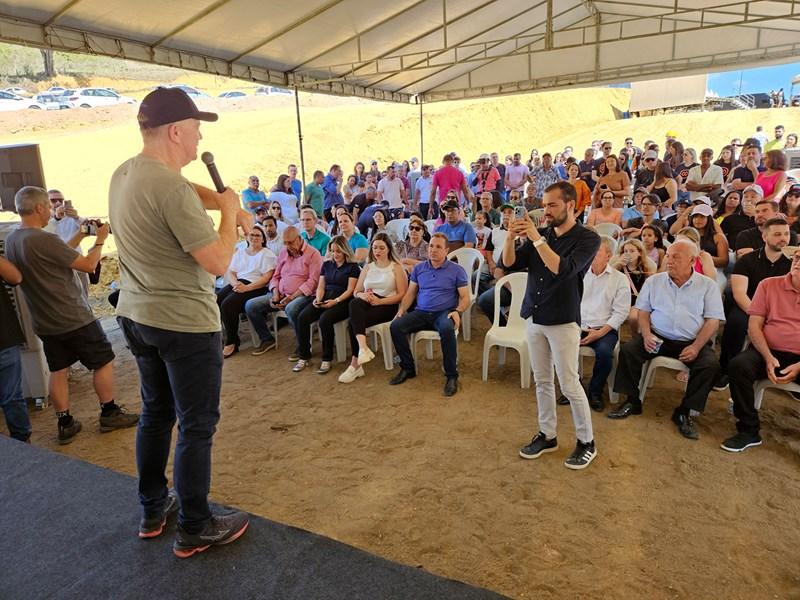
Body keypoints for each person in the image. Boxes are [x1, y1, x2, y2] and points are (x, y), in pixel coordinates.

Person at [108, 88, 250, 554]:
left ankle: (154, 508)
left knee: (155, 413)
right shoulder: (169, 186)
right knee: (196, 424)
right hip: (184, 324)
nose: (199, 136)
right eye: (194, 128)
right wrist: (230, 214)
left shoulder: (126, 172)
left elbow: (185, 190)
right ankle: (195, 524)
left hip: (137, 316)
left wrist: (226, 202)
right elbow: (216, 261)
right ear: (175, 131)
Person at [8, 186, 138, 444]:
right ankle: (109, 412)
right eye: (47, 206)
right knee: (103, 361)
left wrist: (80, 235)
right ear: (39, 208)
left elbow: (57, 255)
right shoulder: (44, 238)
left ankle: (65, 422)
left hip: (44, 320)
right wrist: (100, 240)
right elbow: (88, 265)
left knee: (59, 370)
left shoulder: (14, 239)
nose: (50, 211)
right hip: (73, 315)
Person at [503, 180, 601, 470]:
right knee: (542, 381)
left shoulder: (587, 239)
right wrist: (510, 237)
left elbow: (564, 269)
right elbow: (509, 264)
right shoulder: (541, 234)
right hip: (534, 315)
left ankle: (587, 441)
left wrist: (536, 238)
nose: (545, 211)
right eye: (544, 205)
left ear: (570, 205)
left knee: (569, 383)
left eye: (552, 205)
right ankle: (548, 435)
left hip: (563, 319)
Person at [609, 239, 725, 440]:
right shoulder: (655, 281)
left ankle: (685, 412)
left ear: (692, 260)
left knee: (710, 365)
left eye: (676, 258)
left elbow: (713, 321)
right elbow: (643, 311)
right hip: (658, 337)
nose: (669, 261)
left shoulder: (707, 285)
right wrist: (646, 334)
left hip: (691, 341)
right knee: (629, 351)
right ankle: (632, 401)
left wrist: (697, 347)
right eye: (669, 256)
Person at [721, 246, 800, 452]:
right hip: (768, 349)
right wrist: (767, 356)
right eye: (797, 257)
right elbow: (754, 325)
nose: (798, 262)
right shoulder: (769, 285)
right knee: (738, 366)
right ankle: (748, 430)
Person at [388, 233, 470, 396]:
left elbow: (465, 296)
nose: (433, 250)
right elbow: (411, 293)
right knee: (396, 326)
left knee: (447, 330)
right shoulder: (419, 268)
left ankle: (451, 375)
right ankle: (408, 368)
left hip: (444, 312)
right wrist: (402, 310)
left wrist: (458, 311)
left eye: (438, 247)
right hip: (422, 312)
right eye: (431, 246)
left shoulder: (457, 270)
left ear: (446, 250)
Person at [716, 218, 793, 391]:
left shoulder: (793, 264)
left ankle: (788, 372)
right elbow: (739, 293)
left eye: (786, 234)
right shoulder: (747, 260)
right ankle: (726, 368)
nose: (784, 238)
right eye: (778, 234)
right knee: (736, 322)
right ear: (765, 236)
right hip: (749, 306)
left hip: (782, 311)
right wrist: (759, 314)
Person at [560, 236, 630, 412]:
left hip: (604, 328)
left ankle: (595, 391)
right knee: (563, 347)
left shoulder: (619, 279)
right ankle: (573, 389)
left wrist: (600, 333)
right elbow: (568, 302)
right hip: (577, 325)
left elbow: (621, 312)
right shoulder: (578, 273)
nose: (592, 255)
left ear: (609, 255)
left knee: (605, 354)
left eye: (597, 252)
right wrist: (575, 327)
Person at [338, 233, 408, 383]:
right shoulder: (368, 266)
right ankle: (363, 348)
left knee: (352, 323)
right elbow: (356, 291)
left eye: (382, 248)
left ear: (389, 249)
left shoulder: (396, 267)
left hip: (388, 303)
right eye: (375, 247)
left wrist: (380, 302)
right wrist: (361, 295)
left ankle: (355, 365)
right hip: (368, 300)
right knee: (354, 303)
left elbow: (402, 294)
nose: (378, 251)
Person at [245, 226, 323, 356]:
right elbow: (276, 276)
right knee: (251, 305)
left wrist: (291, 297)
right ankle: (267, 339)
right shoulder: (284, 252)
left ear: (299, 239)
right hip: (281, 294)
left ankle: (303, 345)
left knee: (291, 308)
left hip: (303, 295)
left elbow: (312, 282)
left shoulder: (313, 254)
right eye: (285, 243)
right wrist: (275, 295)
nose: (287, 246)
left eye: (290, 242)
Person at [293, 236, 361, 374]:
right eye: (332, 251)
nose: (335, 254)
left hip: (343, 300)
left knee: (325, 320)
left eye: (338, 251)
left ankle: (327, 358)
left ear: (345, 251)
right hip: (325, 297)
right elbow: (321, 286)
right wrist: (318, 299)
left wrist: (335, 301)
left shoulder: (353, 267)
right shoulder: (327, 265)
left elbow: (350, 290)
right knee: (302, 317)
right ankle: (304, 355)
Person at [216, 227, 276, 358]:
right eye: (252, 235)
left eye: (258, 235)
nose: (254, 237)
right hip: (239, 283)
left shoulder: (267, 254)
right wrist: (235, 284)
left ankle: (232, 342)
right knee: (216, 299)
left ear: (263, 238)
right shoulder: (241, 252)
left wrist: (246, 288)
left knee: (228, 304)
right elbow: (231, 272)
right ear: (247, 237)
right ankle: (218, 337)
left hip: (257, 286)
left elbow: (267, 277)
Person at [0, 256, 32, 443]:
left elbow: (15, 278)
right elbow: (15, 277)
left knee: (12, 397)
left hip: (5, 338)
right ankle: (22, 444)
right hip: (4, 338)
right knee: (12, 396)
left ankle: (21, 443)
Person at [429, 154, 473, 220]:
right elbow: (465, 190)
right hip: (455, 202)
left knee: (443, 223)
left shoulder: (437, 173)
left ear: (443, 162)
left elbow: (433, 192)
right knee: (457, 223)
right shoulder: (459, 173)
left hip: (443, 203)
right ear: (452, 162)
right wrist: (468, 202)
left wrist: (430, 206)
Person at [688, 204, 729, 269]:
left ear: (709, 219)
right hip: (689, 268)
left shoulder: (718, 237)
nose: (698, 220)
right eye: (695, 216)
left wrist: (704, 256)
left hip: (713, 269)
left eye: (702, 217)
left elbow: (724, 261)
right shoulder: (686, 235)